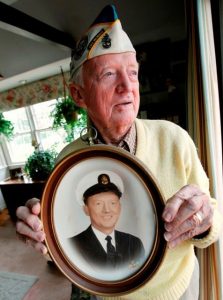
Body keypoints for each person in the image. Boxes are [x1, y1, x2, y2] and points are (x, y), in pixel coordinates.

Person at [16, 4, 221, 300]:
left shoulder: (174, 139)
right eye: (109, 74)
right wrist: (41, 233)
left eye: (133, 73)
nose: (127, 87)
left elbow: (212, 215)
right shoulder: (67, 161)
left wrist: (204, 220)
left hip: (179, 291)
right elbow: (65, 251)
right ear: (78, 94)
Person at [70, 173, 145, 270]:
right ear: (86, 210)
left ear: (120, 207)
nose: (107, 210)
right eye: (98, 204)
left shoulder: (134, 244)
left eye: (112, 203)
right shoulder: (73, 245)